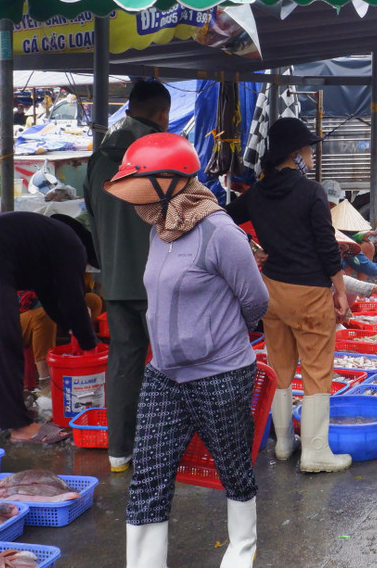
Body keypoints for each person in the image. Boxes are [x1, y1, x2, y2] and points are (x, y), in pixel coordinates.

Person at [103, 133, 268, 568]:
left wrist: (215, 336)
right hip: (164, 373)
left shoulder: (219, 231)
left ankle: (241, 550)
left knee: (233, 466)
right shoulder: (161, 229)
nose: (136, 199)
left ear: (173, 182)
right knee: (150, 471)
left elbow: (255, 299)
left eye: (144, 186)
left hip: (220, 373)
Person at [225, 118, 353, 473]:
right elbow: (328, 248)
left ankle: (283, 444)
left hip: (271, 292)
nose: (311, 156)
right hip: (309, 293)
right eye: (308, 149)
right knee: (316, 370)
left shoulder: (257, 193)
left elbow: (222, 219)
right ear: (295, 154)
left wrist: (251, 248)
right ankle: (315, 453)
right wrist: (340, 291)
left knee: (280, 368)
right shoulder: (311, 192)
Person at [0, 211, 99, 444]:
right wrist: (88, 342)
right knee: (5, 342)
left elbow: (49, 295)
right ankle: (20, 426)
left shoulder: (43, 237)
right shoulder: (72, 244)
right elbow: (73, 297)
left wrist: (69, 324)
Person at [85, 78, 171, 472]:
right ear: (162, 113)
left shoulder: (100, 158)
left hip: (116, 280)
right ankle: (172, 449)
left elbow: (92, 218)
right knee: (176, 363)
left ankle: (120, 452)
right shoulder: (160, 153)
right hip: (161, 280)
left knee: (124, 363)